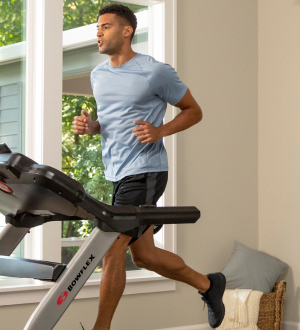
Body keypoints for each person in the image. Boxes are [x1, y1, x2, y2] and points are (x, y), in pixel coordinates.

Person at [72, 4, 225, 329]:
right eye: (97, 28)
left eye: (106, 26)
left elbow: (193, 110)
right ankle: (209, 285)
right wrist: (92, 128)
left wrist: (160, 131)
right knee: (144, 257)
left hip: (146, 170)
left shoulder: (154, 70)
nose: (98, 32)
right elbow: (112, 121)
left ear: (127, 31)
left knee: (111, 248)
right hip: (116, 173)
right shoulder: (98, 75)